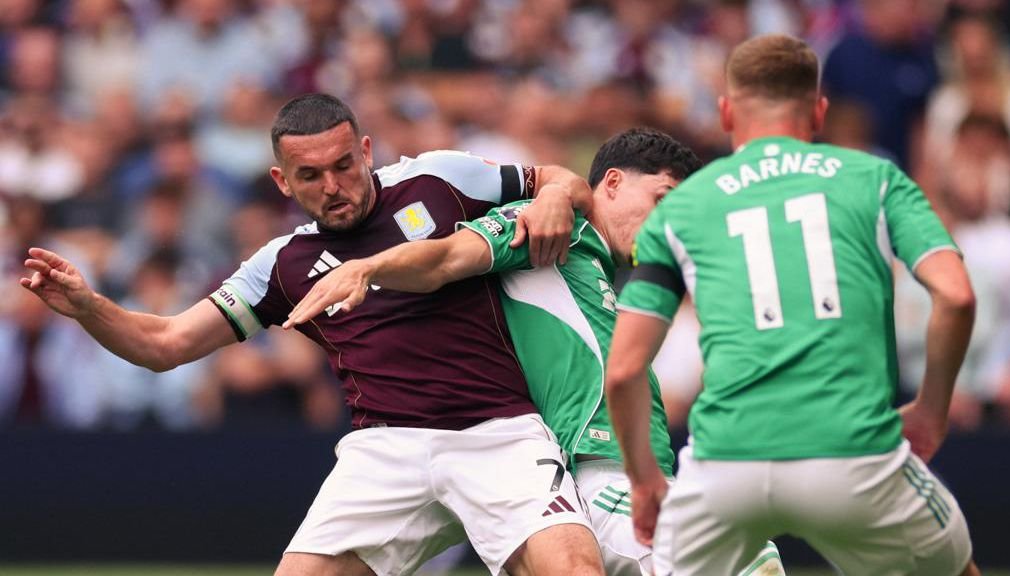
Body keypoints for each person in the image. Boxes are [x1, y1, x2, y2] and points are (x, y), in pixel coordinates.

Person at [20, 93, 605, 576]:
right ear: (283, 181)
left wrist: (554, 195)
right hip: (386, 451)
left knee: (575, 568)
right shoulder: (282, 264)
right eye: (311, 175)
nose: (333, 184)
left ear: (366, 151)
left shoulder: (439, 178)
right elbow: (165, 344)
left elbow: (565, 181)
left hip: (497, 432)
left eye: (344, 165)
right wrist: (89, 307)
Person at [285, 127, 784, 576]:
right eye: (664, 199)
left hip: (634, 473)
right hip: (595, 471)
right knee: (747, 558)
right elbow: (446, 257)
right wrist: (368, 268)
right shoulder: (553, 229)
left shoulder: (601, 268)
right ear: (612, 183)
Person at [606, 35, 981, 576]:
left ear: (727, 112)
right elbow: (956, 295)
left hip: (724, 463)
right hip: (852, 453)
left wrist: (644, 482)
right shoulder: (875, 179)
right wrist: (930, 410)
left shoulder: (682, 207)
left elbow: (623, 369)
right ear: (819, 112)